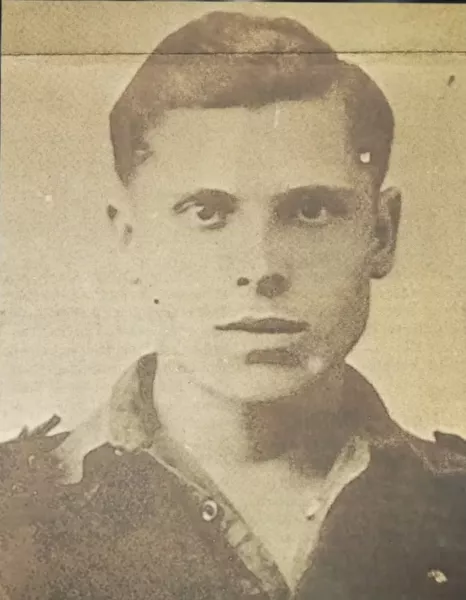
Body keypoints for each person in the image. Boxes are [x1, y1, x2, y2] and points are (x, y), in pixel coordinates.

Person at [1, 10, 466, 600]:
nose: (261, 266)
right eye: (207, 212)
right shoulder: (12, 510)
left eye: (310, 210)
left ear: (381, 233)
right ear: (130, 239)